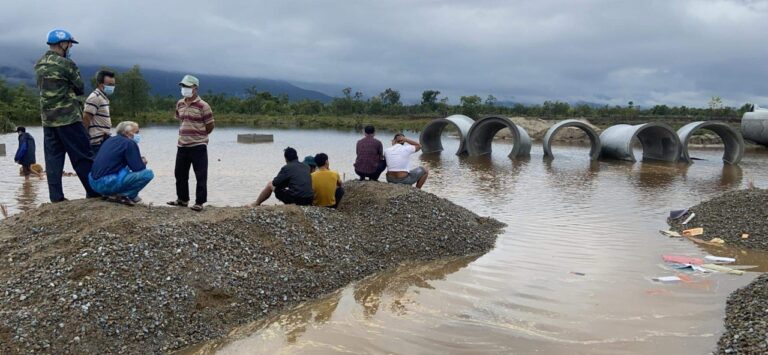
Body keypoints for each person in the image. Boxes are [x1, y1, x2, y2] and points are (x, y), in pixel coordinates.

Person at [35, 29, 100, 202]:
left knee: (53, 158)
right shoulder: (67, 64)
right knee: (82, 155)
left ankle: (56, 198)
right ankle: (94, 192)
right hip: (68, 117)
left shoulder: (40, 63)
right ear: (62, 44)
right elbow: (80, 87)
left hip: (48, 120)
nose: (71, 46)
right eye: (69, 43)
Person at [167, 75, 214, 212]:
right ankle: (182, 199)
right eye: (183, 86)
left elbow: (210, 125)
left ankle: (199, 202)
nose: (185, 89)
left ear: (195, 88)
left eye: (188, 86)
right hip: (182, 145)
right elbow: (181, 120)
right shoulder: (180, 103)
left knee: (200, 175)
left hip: (198, 146)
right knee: (180, 173)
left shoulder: (203, 105)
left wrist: (200, 136)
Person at [89, 121, 153, 206]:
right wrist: (143, 162)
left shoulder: (110, 140)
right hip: (106, 183)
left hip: (93, 182)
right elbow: (138, 168)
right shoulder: (129, 143)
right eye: (136, 132)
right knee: (148, 174)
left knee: (124, 169)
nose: (138, 135)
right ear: (127, 133)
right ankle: (127, 195)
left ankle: (113, 194)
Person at [83, 70, 115, 155]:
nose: (112, 87)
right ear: (101, 85)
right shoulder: (95, 97)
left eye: (113, 84)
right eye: (110, 85)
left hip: (104, 140)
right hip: (96, 143)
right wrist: (84, 138)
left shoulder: (103, 98)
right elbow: (86, 117)